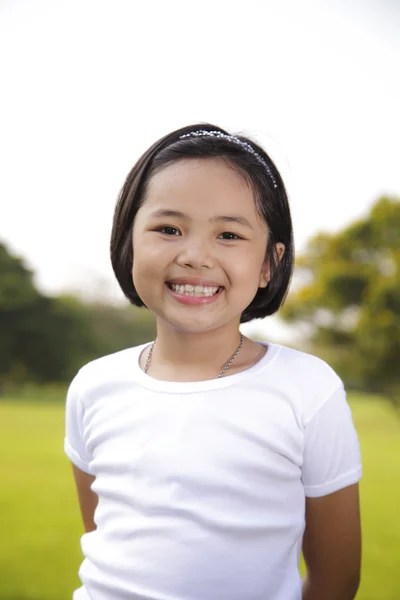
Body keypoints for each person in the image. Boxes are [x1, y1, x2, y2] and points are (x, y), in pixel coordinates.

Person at [64, 124, 362, 600]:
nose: (195, 256)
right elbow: (101, 536)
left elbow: (337, 578)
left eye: (228, 234)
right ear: (129, 241)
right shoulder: (93, 384)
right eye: (168, 229)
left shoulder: (307, 389)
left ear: (269, 263)